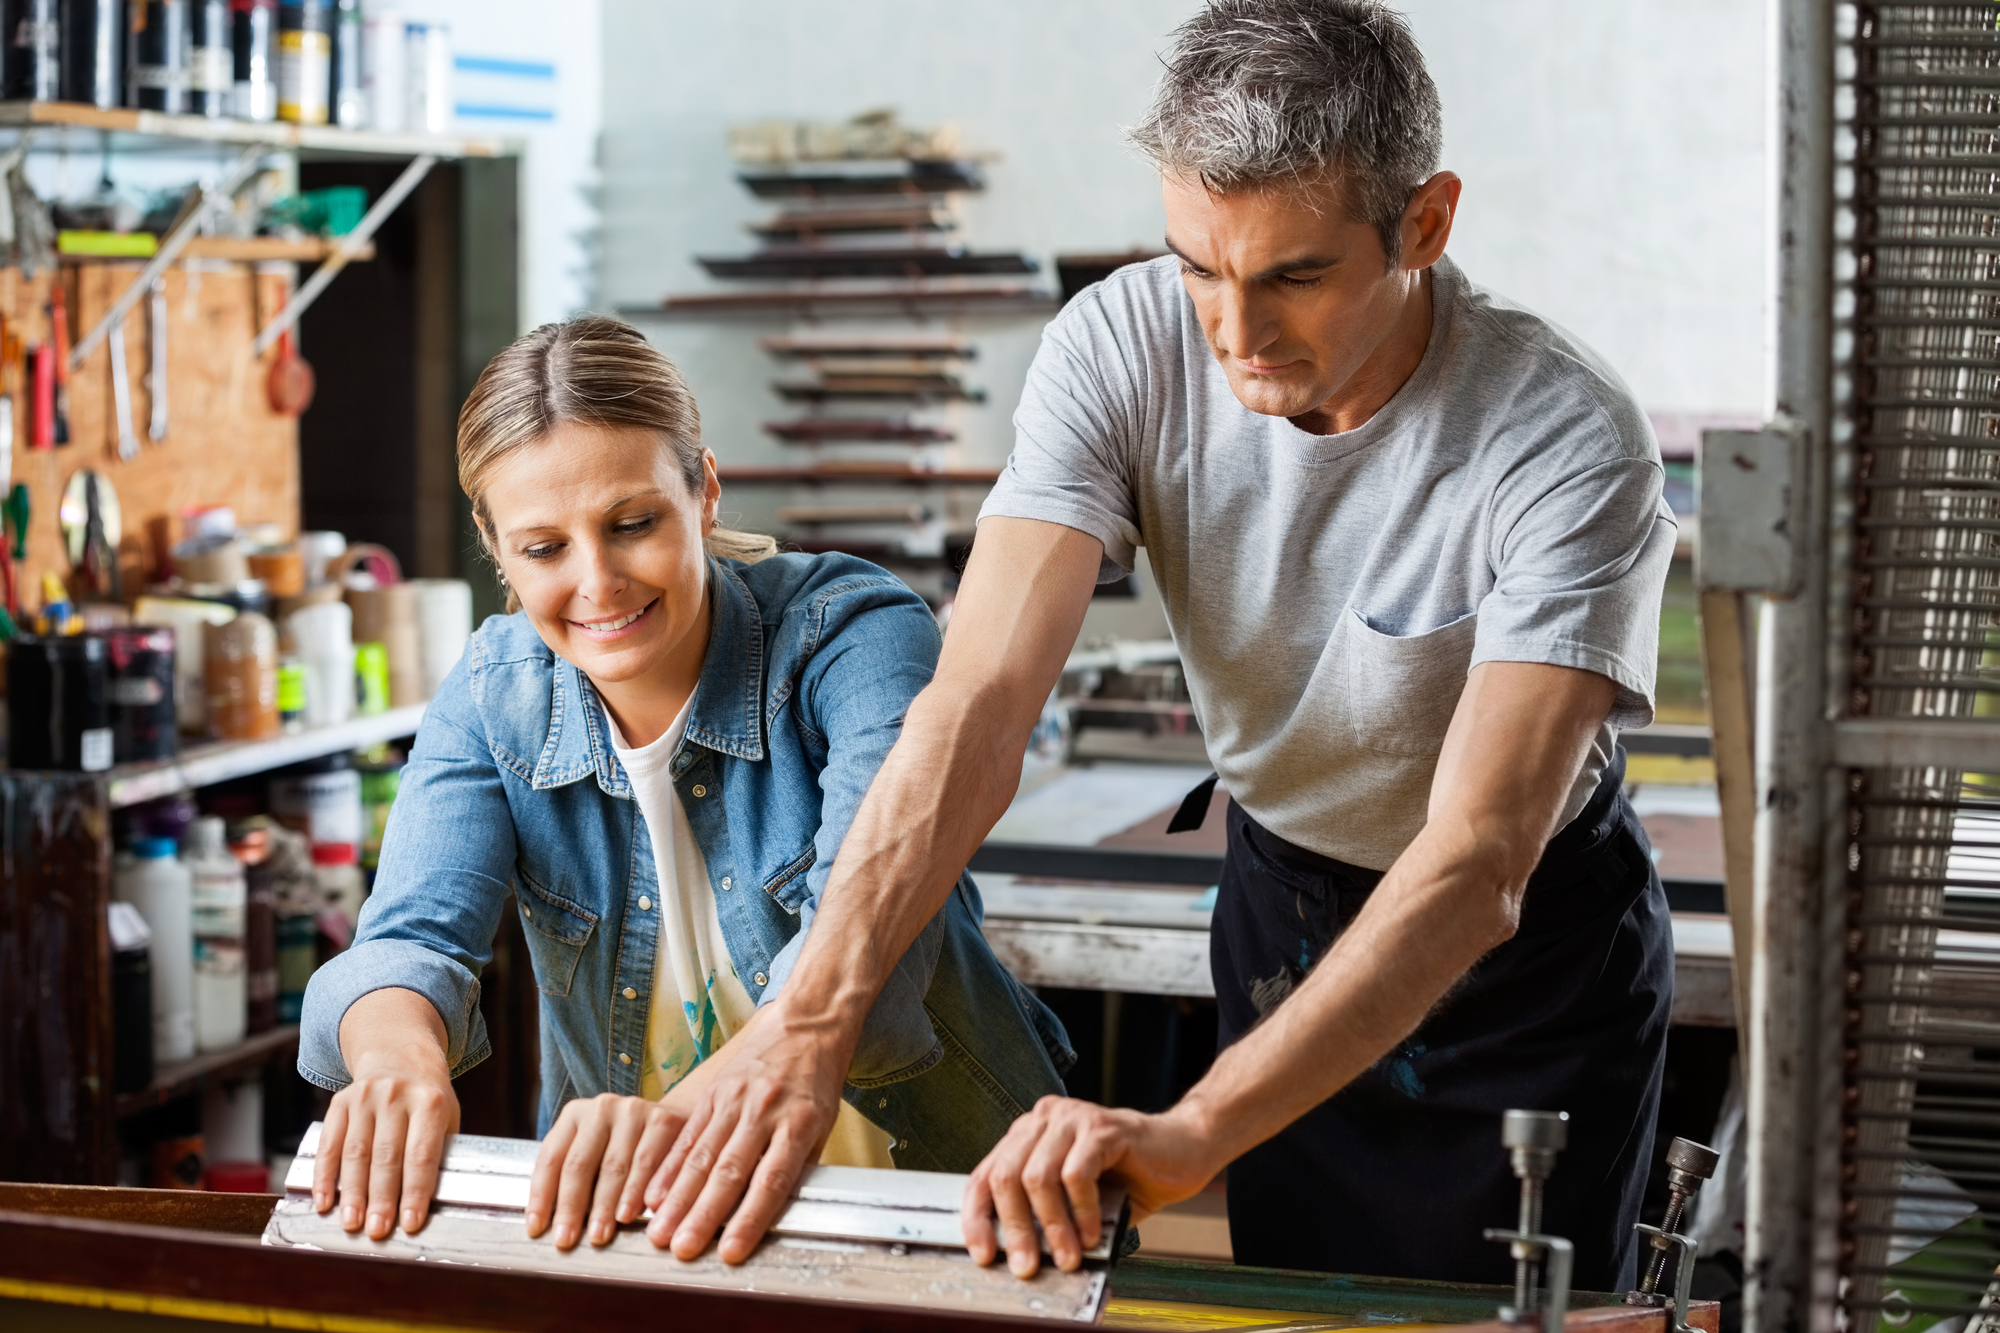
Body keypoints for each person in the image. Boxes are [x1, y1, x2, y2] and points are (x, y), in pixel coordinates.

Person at [631, 0, 1678, 1292]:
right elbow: (976, 707)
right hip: (1286, 912)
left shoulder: (1562, 436)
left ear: (1425, 222)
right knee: (1295, 1306)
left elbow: (1473, 863)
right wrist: (810, 1016)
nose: (1235, 332)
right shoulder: (1121, 346)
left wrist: (1192, 1128)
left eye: (1295, 274)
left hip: (1530, 976)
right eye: (1198, 265)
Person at [296, 317, 1072, 1252]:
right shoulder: (492, 691)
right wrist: (395, 1065)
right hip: (651, 1235)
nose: (599, 582)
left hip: (953, 1215)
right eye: (544, 548)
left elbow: (861, 934)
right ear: (493, 544)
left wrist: (674, 1121)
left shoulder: (853, 634)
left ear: (702, 489)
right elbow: (410, 940)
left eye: (632, 524)